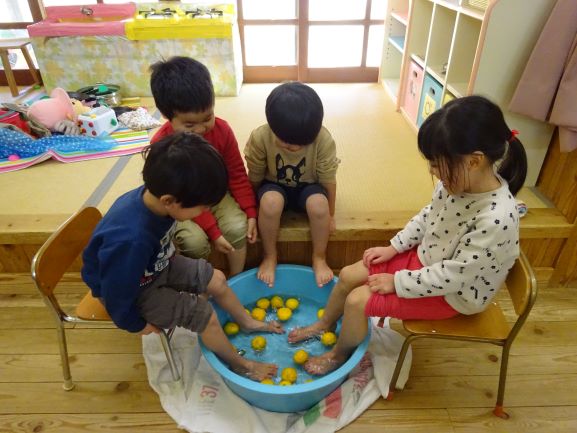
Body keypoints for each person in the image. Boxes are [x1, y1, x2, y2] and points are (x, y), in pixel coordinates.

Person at [288, 95, 527, 375]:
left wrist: (397, 282)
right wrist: (394, 247)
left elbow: (453, 277)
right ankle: (322, 325)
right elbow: (427, 217)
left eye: (437, 164)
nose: (432, 171)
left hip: (453, 294)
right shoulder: (455, 184)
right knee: (349, 276)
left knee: (357, 302)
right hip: (427, 264)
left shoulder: (496, 219)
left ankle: (338, 356)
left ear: (474, 161)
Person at [82, 133, 283, 381]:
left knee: (217, 279)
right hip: (134, 291)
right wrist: (135, 324)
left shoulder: (157, 200)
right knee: (205, 315)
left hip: (154, 266)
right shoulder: (131, 239)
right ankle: (242, 365)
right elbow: (115, 292)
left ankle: (247, 322)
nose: (206, 211)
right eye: (202, 207)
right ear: (169, 201)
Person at [150, 56, 257, 276]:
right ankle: (204, 283)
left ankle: (235, 280)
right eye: (189, 124)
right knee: (194, 242)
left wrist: (251, 212)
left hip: (215, 194)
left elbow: (237, 173)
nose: (200, 129)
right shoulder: (162, 147)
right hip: (182, 203)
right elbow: (178, 201)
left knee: (238, 228)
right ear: (167, 116)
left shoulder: (222, 130)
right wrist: (213, 231)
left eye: (208, 118)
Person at [244, 82, 340, 288]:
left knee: (319, 205)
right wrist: (251, 210)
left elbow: (328, 179)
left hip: (309, 187)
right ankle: (270, 256)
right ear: (272, 126)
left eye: (302, 143)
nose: (294, 147)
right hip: (274, 185)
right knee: (270, 203)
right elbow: (255, 175)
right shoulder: (261, 137)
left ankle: (319, 257)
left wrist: (330, 214)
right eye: (287, 142)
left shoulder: (323, 139)